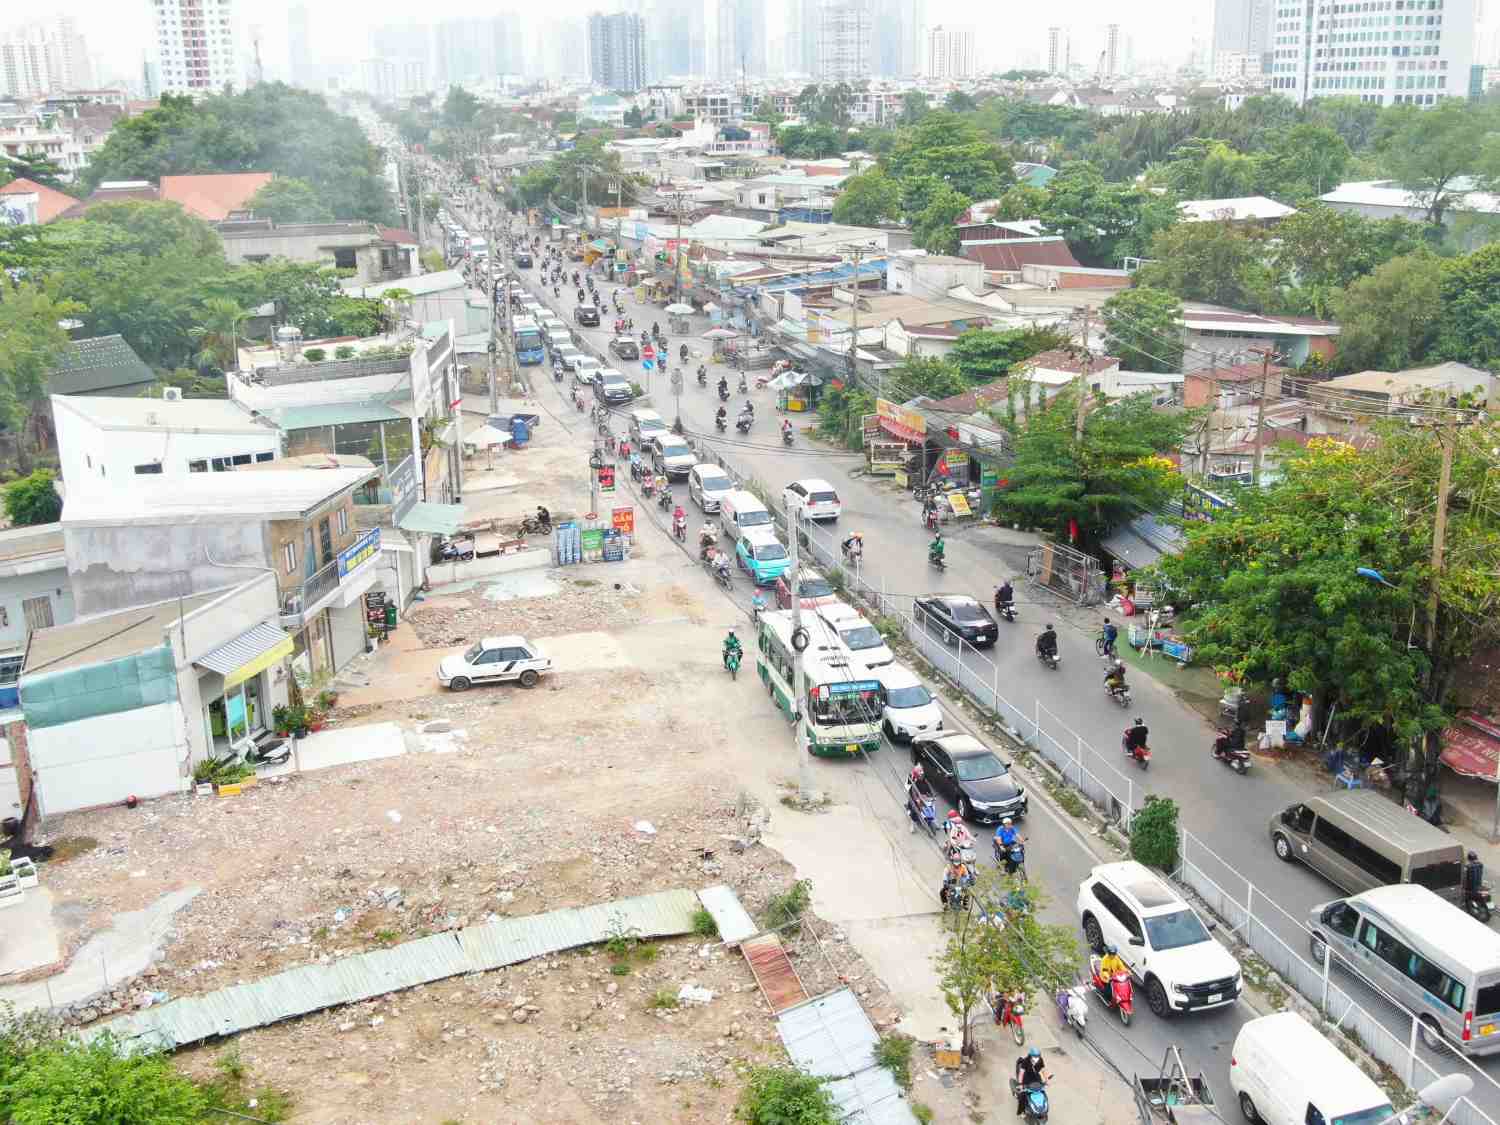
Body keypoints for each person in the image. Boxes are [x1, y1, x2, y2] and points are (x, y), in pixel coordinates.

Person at [1016, 1048, 1051, 1117]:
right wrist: (1020, 1084)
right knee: (1022, 1096)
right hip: (1027, 1078)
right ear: (1031, 1055)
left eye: (1038, 1056)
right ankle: (1021, 1111)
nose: (1036, 1058)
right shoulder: (1026, 1061)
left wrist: (1047, 1080)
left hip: (1036, 1077)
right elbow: (1021, 1073)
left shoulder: (1040, 1060)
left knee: (1042, 1091)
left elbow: (1043, 1070)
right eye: (1035, 1056)